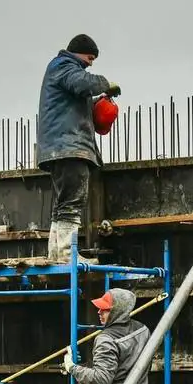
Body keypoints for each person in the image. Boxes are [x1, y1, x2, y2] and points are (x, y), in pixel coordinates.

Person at [36, 34, 121, 261]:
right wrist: (105, 83)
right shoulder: (64, 65)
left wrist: (99, 101)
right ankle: (66, 255)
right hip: (69, 147)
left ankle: (57, 254)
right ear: (79, 52)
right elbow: (82, 82)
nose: (91, 62)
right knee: (72, 203)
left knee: (62, 205)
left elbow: (76, 97)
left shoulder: (61, 72)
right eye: (90, 57)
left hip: (59, 148)